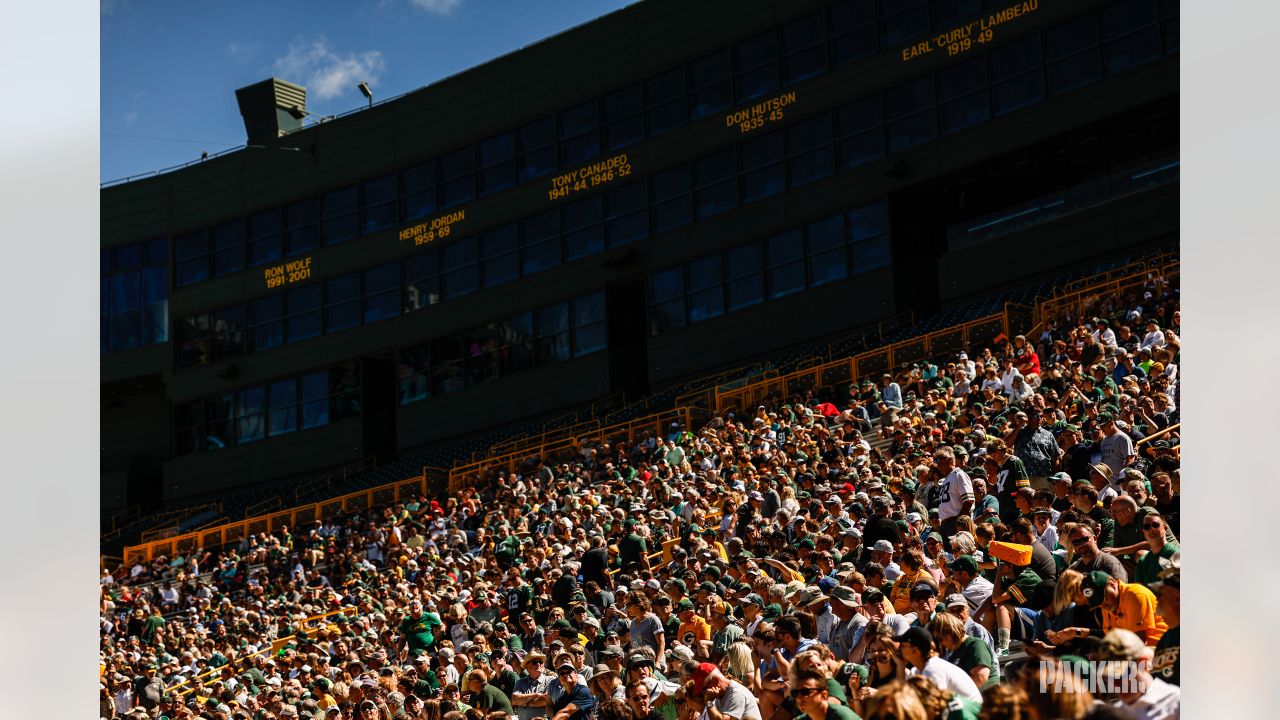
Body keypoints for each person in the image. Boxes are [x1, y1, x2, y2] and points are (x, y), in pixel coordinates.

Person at [890, 627, 982, 704]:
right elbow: (902, 697)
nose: (899, 648)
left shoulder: (932, 669)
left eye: (903, 645)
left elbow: (936, 707)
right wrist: (900, 666)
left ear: (915, 650)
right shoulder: (919, 670)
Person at [689, 662, 763, 720]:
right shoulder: (719, 694)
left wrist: (709, 702)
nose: (704, 692)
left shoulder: (736, 693)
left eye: (704, 688)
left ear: (715, 680)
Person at [789, 668, 861, 720]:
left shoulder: (842, 716)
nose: (799, 698)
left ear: (824, 695)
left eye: (805, 692)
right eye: (795, 693)